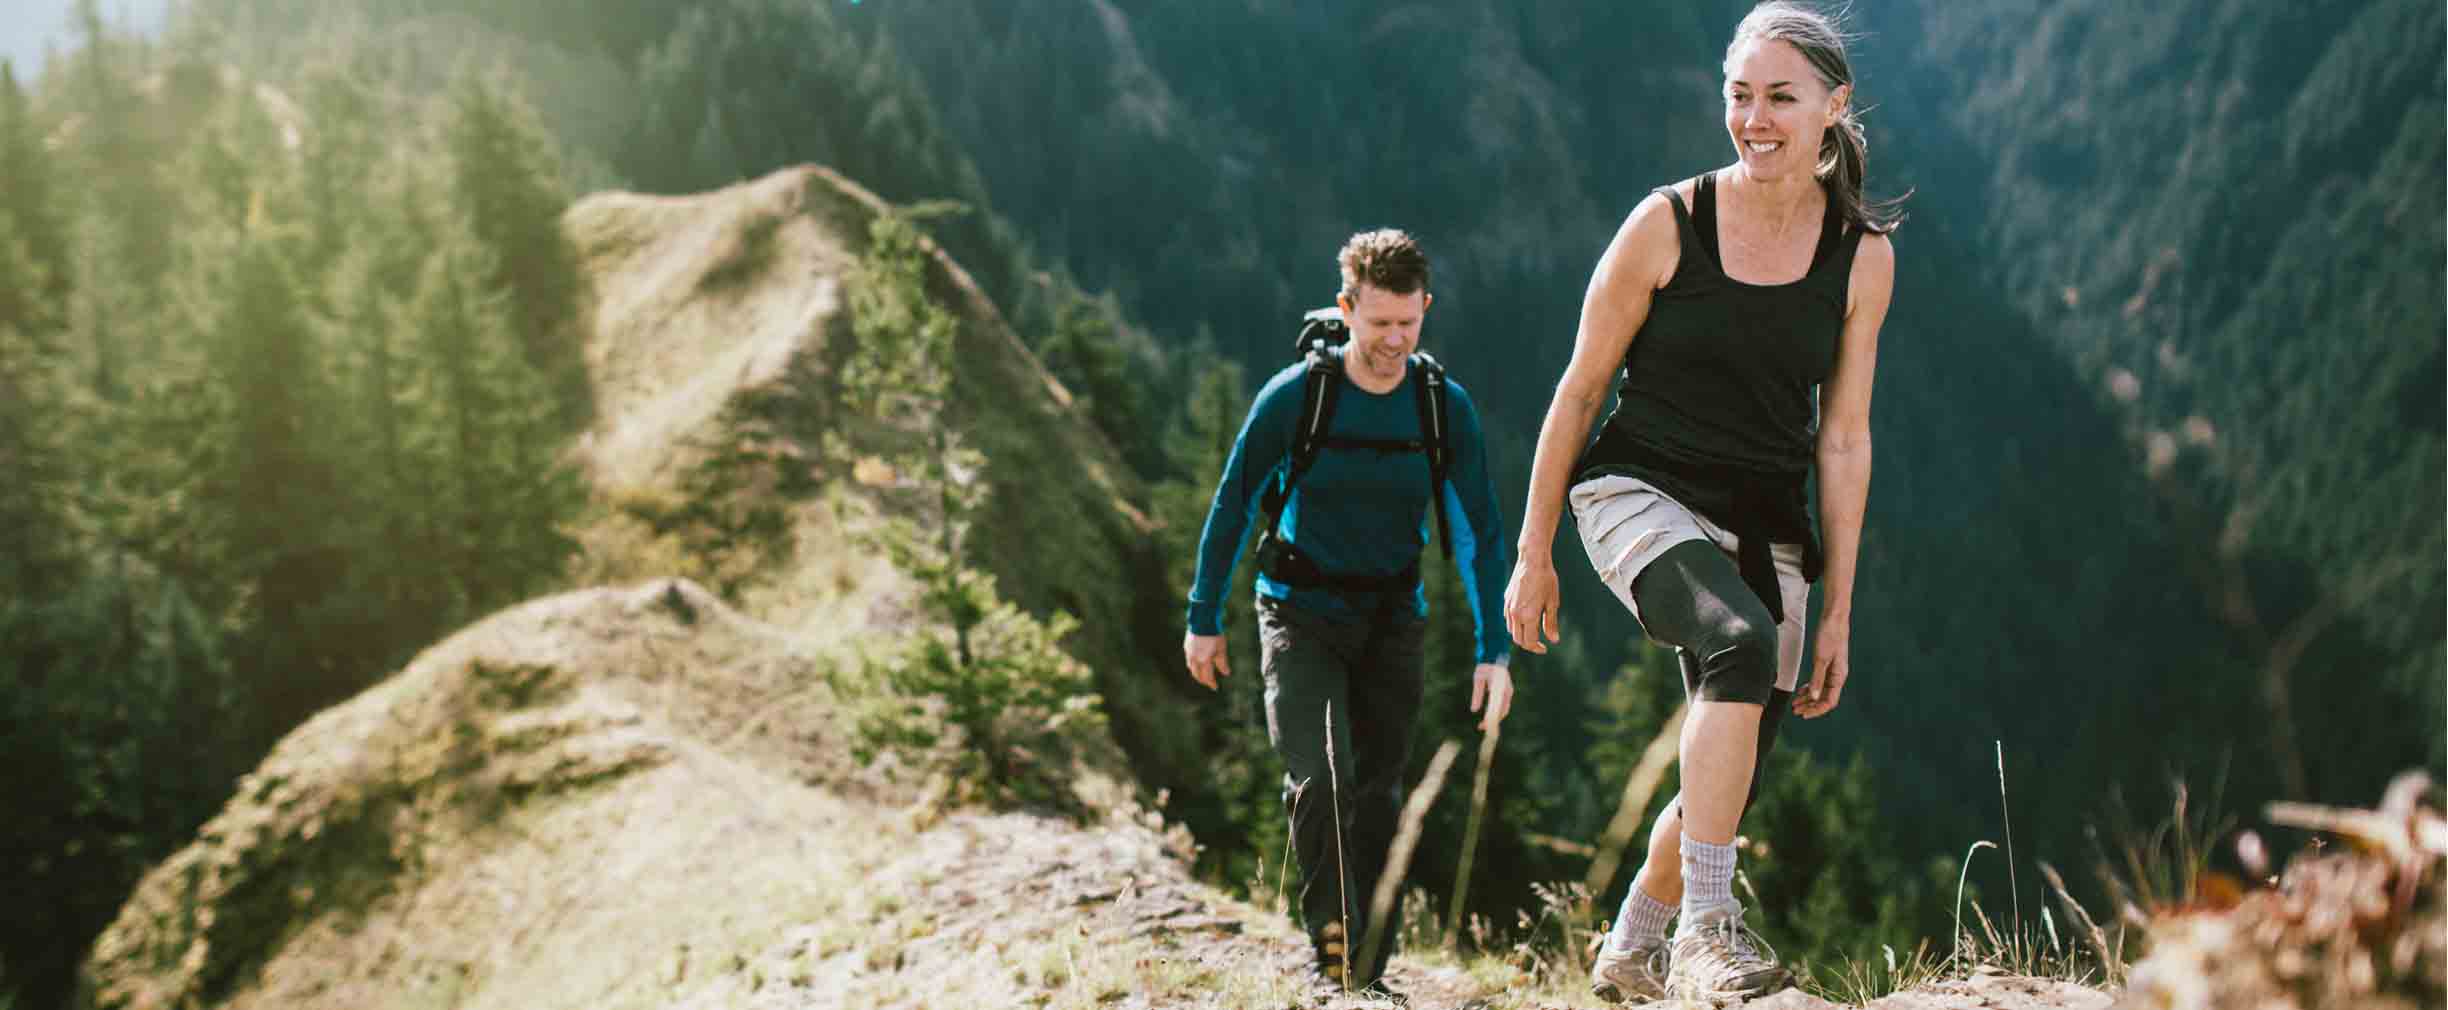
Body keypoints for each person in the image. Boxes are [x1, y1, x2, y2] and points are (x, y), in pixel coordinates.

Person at [1502, 3, 1901, 1003]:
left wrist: (1840, 606)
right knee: (1738, 644)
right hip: (1638, 486)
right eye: (1739, 96)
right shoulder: (1667, 223)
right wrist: (1532, 547)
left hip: (1769, 518)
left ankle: (1635, 941)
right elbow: (1580, 389)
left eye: (1780, 97)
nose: (1755, 119)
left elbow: (1844, 438)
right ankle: (1708, 934)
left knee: (1727, 766)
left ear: (1832, 108)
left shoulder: (1861, 257)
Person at [1182, 229, 1515, 997]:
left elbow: (1480, 534)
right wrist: (1204, 616)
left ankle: (1369, 971)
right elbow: (1233, 505)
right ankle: (1333, 962)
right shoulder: (1299, 394)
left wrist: (1493, 651)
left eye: (1409, 323)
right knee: (1319, 780)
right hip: (1297, 612)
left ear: (1425, 308)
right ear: (1346, 309)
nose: (1394, 341)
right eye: (1378, 325)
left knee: (1381, 794)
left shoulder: (1441, 408)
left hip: (1393, 620)